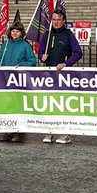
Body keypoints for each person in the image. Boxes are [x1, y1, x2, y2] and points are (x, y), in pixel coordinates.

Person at [39, 11, 82, 145]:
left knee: (63, 102)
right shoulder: (47, 34)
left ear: (63, 20)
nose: (56, 22)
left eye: (59, 19)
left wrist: (65, 64)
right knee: (49, 102)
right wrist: (41, 56)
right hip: (49, 74)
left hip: (63, 75)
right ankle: (50, 131)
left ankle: (65, 132)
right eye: (54, 19)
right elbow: (40, 51)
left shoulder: (68, 34)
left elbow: (78, 53)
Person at [0, 21, 37, 142]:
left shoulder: (25, 45)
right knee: (6, 105)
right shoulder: (5, 45)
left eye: (17, 31)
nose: (15, 33)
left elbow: (32, 61)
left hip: (19, 79)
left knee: (18, 105)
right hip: (5, 79)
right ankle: (7, 130)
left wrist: (22, 65)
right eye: (13, 31)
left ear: (21, 33)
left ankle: (18, 131)